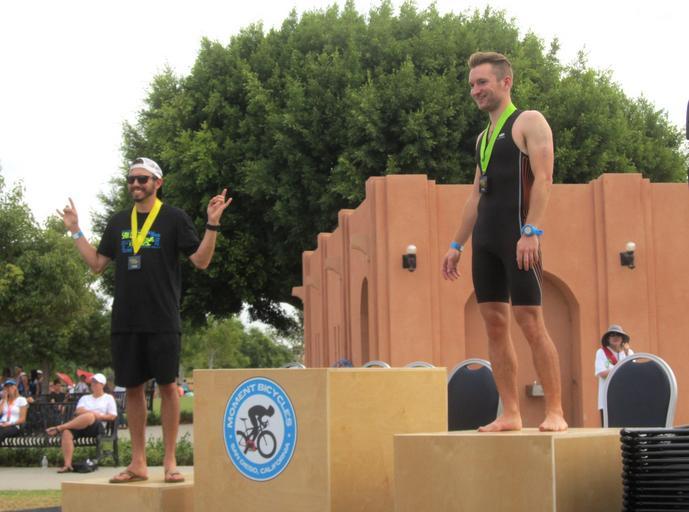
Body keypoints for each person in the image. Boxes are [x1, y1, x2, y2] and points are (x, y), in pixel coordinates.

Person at [58, 157, 231, 483]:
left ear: (157, 183)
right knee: (133, 389)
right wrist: (75, 230)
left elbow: (201, 261)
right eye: (131, 179)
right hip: (125, 320)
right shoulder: (118, 222)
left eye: (142, 179)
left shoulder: (174, 218)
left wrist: (212, 224)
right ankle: (138, 463)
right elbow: (96, 264)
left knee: (168, 387)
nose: (136, 184)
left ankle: (170, 462)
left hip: (162, 318)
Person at [441, 51, 568, 432]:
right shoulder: (483, 138)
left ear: (505, 81)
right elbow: (475, 195)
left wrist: (532, 231)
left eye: (482, 82)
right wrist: (456, 245)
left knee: (530, 321)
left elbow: (544, 178)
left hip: (518, 237)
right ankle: (511, 413)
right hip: (485, 241)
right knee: (494, 325)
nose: (475, 90)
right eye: (472, 85)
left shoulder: (529, 121)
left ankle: (555, 411)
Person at [46, 373, 117, 473]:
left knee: (89, 416)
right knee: (67, 432)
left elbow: (112, 416)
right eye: (92, 382)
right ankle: (67, 465)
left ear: (102, 385)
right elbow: (78, 411)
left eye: (96, 382)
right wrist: (92, 413)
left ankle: (59, 428)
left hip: (97, 427)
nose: (93, 384)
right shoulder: (85, 398)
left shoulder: (108, 398)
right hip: (80, 425)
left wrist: (96, 415)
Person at [595, 324, 634, 426]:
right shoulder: (601, 352)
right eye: (612, 335)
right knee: (608, 429)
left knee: (627, 429)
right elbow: (602, 373)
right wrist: (622, 369)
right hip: (607, 400)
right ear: (608, 338)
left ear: (622, 338)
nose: (615, 337)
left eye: (618, 335)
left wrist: (626, 354)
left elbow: (632, 373)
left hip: (626, 399)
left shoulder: (629, 352)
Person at [0, 379, 29, 444]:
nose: (8, 389)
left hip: (13, 426)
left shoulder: (21, 400)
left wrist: (9, 424)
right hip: (2, 424)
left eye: (10, 387)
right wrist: (4, 399)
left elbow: (22, 419)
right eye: (6, 387)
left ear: (15, 388)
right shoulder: (2, 401)